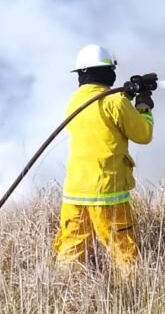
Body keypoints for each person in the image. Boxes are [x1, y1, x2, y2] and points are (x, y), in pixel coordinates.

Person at [52, 44, 155, 268]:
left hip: (75, 192)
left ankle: (63, 295)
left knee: (71, 249)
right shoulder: (116, 102)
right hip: (107, 192)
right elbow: (143, 135)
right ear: (107, 72)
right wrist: (143, 106)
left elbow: (100, 111)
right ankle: (131, 294)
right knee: (122, 250)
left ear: (81, 73)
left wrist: (126, 93)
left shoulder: (75, 101)